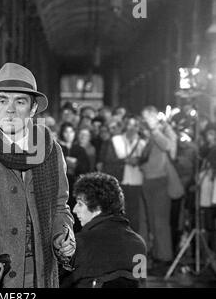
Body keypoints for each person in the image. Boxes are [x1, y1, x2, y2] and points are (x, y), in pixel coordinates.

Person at [0, 63, 75, 288]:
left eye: (20, 101)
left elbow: (59, 205)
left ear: (33, 108)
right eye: (3, 100)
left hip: (40, 269)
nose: (10, 109)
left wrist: (62, 235)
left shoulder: (50, 149)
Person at [61, 173, 147, 288]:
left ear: (98, 207)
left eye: (80, 204)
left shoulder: (80, 244)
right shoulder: (139, 244)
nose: (75, 209)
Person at [139, 106, 177, 273]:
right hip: (148, 180)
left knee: (160, 221)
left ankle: (165, 258)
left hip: (160, 181)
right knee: (152, 221)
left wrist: (154, 129)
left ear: (154, 116)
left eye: (147, 117)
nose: (145, 121)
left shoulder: (165, 129)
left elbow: (167, 145)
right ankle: (157, 254)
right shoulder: (148, 132)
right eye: (144, 118)